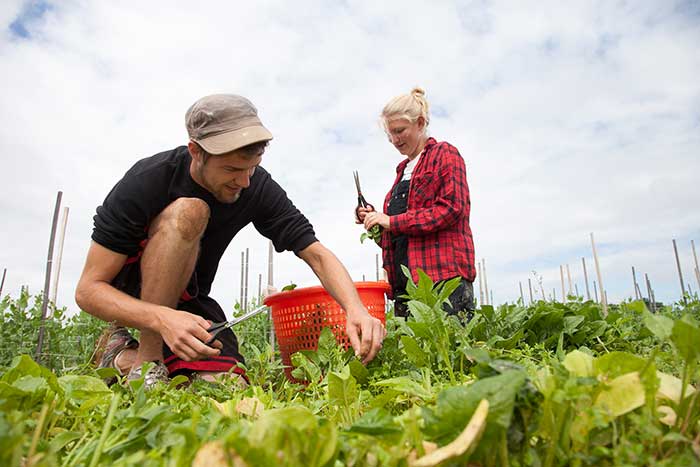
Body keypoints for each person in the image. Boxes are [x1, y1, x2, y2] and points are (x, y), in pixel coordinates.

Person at [76, 93, 386, 388]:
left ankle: (118, 357)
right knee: (191, 210)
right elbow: (88, 291)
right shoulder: (148, 180)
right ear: (195, 151)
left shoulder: (256, 186)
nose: (245, 180)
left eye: (253, 167)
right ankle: (147, 361)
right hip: (133, 292)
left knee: (227, 387)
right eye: (232, 169)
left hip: (190, 301)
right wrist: (160, 317)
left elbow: (315, 252)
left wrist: (355, 309)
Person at [357, 87, 476, 319]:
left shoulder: (445, 155)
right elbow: (400, 238)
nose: (394, 140)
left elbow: (451, 209)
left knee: (450, 352)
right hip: (407, 286)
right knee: (413, 354)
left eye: (400, 131)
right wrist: (377, 223)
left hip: (443, 281)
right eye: (390, 134)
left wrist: (392, 221)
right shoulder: (402, 171)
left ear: (420, 123)